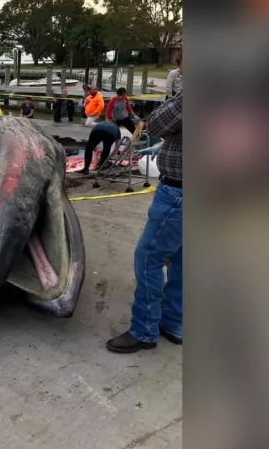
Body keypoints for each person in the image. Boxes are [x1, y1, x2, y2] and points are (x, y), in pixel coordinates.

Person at [108, 91, 183, 353]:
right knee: (184, 258)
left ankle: (144, 329)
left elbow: (158, 123)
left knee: (149, 256)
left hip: (179, 192)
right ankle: (175, 323)